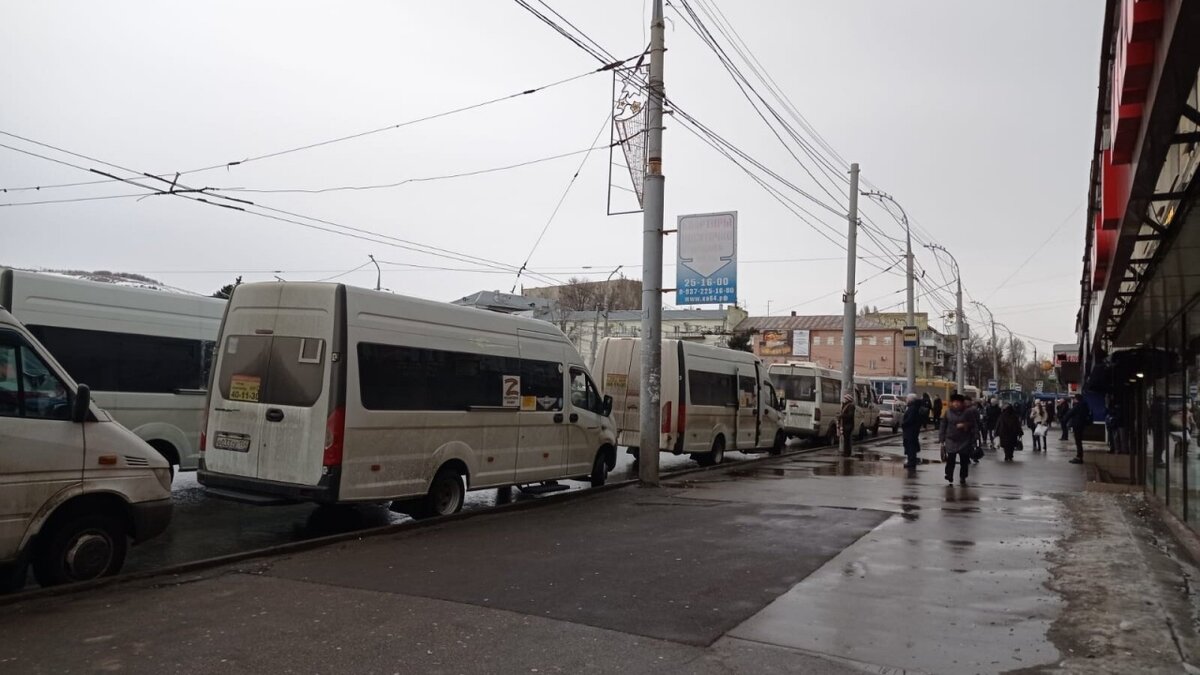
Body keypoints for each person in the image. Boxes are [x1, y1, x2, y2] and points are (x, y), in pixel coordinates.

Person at [940, 394, 979, 486]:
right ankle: (949, 474)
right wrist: (942, 438)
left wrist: (965, 425)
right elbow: (943, 425)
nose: (956, 404)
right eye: (954, 402)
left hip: (964, 439)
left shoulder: (968, 412)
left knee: (964, 460)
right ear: (952, 403)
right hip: (951, 438)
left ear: (962, 403)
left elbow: (973, 424)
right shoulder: (948, 412)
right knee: (951, 459)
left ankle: (963, 476)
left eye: (958, 402)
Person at [1063, 394, 1093, 464]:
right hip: (1082, 425)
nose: (1073, 400)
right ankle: (1079, 456)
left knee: (1078, 441)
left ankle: (1079, 457)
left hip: (1077, 425)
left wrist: (1064, 419)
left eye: (1074, 399)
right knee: (1079, 441)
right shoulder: (1085, 405)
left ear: (1077, 399)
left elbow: (1070, 413)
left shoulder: (1078, 406)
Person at [901, 392, 925, 469]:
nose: (906, 400)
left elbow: (910, 419)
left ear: (910, 400)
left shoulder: (912, 408)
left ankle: (911, 462)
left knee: (910, 446)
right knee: (911, 445)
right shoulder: (914, 407)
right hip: (912, 430)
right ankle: (911, 461)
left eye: (907, 399)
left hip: (910, 430)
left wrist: (904, 424)